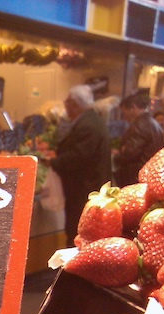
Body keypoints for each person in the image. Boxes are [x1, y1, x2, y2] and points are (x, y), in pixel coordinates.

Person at [50, 84, 112, 248]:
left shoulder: (87, 125)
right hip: (87, 188)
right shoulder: (92, 120)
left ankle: (72, 271)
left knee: (78, 233)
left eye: (68, 101)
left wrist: (54, 162)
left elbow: (79, 157)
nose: (65, 104)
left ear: (76, 104)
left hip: (84, 190)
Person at [114, 91, 164, 187]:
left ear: (133, 108)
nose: (124, 117)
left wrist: (120, 153)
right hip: (151, 174)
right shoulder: (152, 122)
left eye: (124, 112)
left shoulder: (139, 124)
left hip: (136, 177)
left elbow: (129, 153)